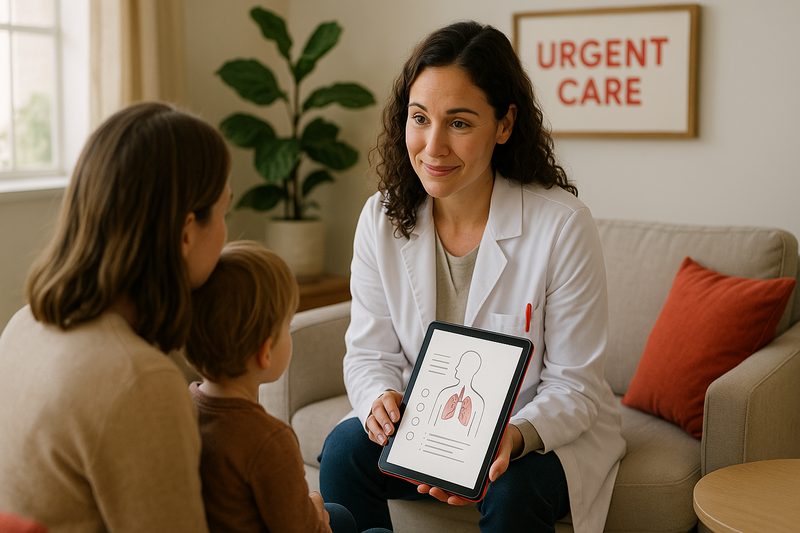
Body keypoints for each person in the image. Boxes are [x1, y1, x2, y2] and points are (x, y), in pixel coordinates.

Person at [318, 20, 626, 533]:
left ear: (504, 125)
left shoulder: (563, 224)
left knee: (511, 486)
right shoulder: (381, 216)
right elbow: (369, 352)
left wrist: (514, 435)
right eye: (420, 118)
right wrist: (379, 401)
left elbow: (575, 387)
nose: (433, 146)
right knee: (345, 449)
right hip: (429, 426)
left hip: (532, 430)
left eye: (459, 123)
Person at [0, 102, 232, 532]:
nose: (226, 232)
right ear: (186, 232)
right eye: (224, 212)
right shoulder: (139, 381)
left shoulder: (23, 324)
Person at [184, 240, 392, 533]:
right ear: (265, 351)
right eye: (286, 326)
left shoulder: (182, 411)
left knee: (339, 514)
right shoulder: (270, 439)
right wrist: (314, 516)